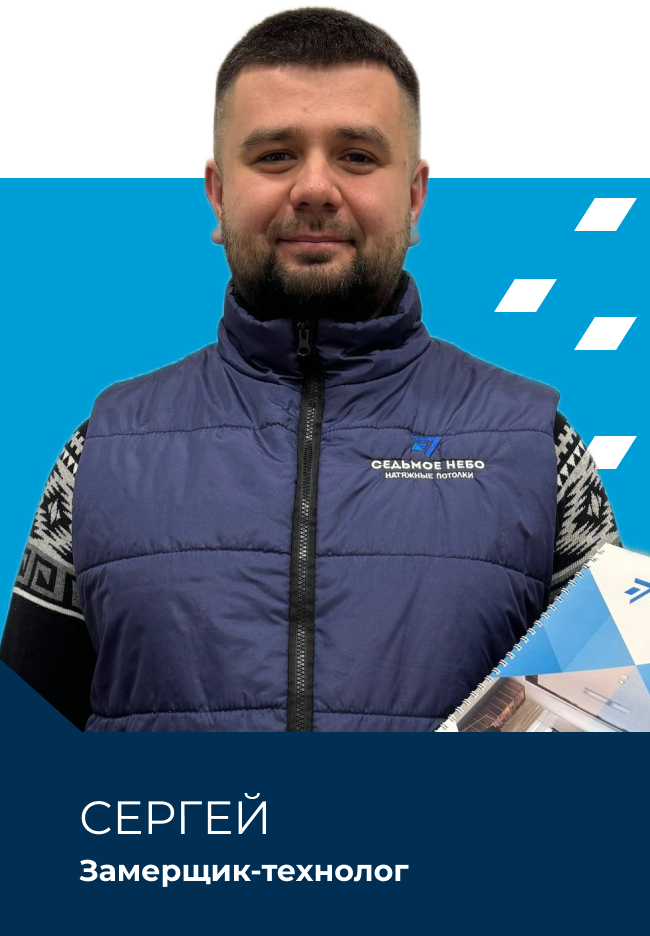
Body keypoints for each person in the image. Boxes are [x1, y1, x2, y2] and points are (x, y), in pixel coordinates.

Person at [0, 7, 621, 733]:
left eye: (357, 156)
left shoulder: (540, 450)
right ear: (218, 193)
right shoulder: (102, 452)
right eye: (275, 156)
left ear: (413, 196)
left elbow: (616, 746)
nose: (315, 187)